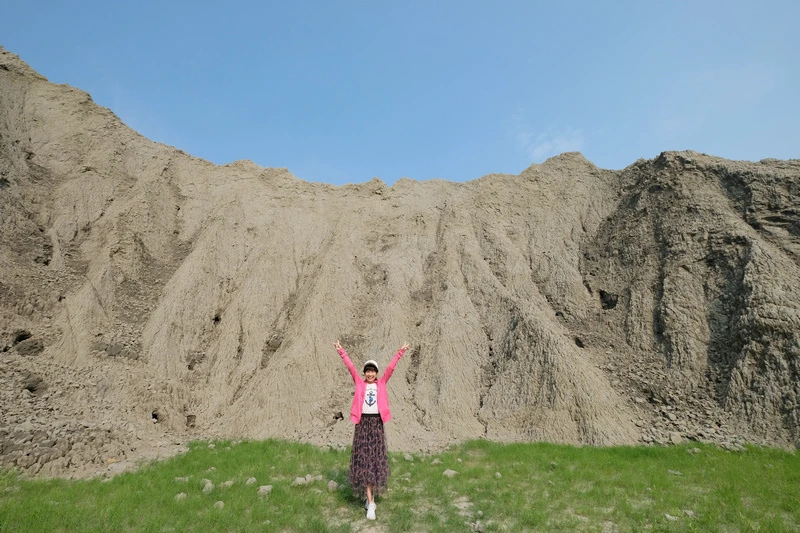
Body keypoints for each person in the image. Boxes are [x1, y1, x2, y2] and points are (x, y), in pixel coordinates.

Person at [334, 340, 409, 521]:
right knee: (364, 461)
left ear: (376, 373)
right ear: (364, 373)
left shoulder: (381, 384)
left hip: (376, 424)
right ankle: (371, 503)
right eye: (367, 371)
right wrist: (341, 351)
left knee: (374, 462)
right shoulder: (360, 384)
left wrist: (400, 352)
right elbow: (350, 367)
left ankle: (371, 499)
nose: (370, 373)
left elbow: (390, 368)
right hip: (362, 425)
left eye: (372, 371)